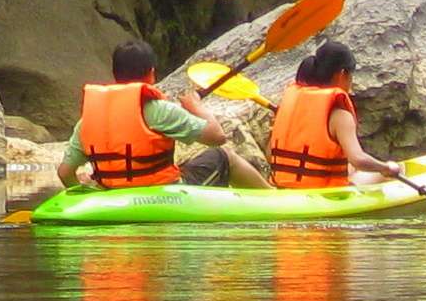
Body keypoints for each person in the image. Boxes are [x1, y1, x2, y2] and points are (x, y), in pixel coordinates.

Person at [63, 40, 268, 191]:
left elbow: (64, 173)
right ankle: (272, 197)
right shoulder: (160, 110)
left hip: (112, 193)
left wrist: (88, 193)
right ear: (151, 73)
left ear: (116, 74)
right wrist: (196, 106)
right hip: (164, 192)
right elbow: (217, 137)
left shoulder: (87, 121)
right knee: (224, 157)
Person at [265, 39, 408, 189]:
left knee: (349, 168)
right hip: (324, 194)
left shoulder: (290, 104)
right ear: (342, 74)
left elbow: (270, 154)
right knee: (397, 168)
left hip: (282, 188)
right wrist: (386, 168)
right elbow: (358, 159)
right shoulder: (339, 114)